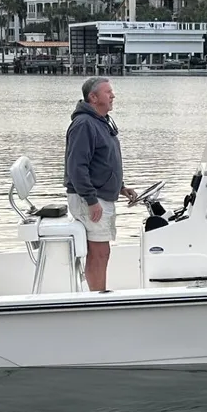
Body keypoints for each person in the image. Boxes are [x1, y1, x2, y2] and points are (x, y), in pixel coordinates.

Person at [65, 77, 137, 292]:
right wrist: (91, 200)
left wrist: (120, 187)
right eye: (108, 92)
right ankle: (98, 298)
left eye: (111, 92)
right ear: (93, 97)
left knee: (101, 250)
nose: (113, 96)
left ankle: (96, 294)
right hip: (91, 199)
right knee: (99, 251)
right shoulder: (84, 124)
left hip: (101, 196)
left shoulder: (101, 121)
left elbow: (104, 160)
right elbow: (76, 167)